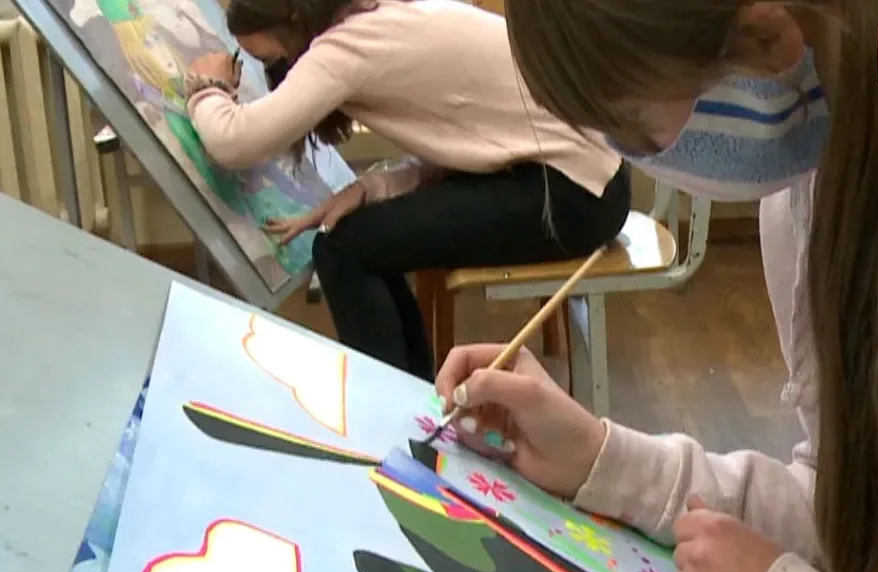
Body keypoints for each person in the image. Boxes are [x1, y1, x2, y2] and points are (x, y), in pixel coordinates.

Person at [436, 0, 878, 572]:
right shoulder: (825, 171)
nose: (640, 157)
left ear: (767, 37)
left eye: (636, 130)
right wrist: (604, 460)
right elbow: (871, 505)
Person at [180, 0, 631, 381]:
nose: (275, 70)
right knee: (358, 241)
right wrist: (373, 188)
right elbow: (470, 145)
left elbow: (235, 142)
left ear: (292, 26)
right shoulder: (378, 16)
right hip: (580, 180)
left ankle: (395, 414)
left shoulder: (346, 47)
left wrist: (208, 88)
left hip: (572, 194)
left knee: (345, 250)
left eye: (268, 58)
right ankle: (413, 400)